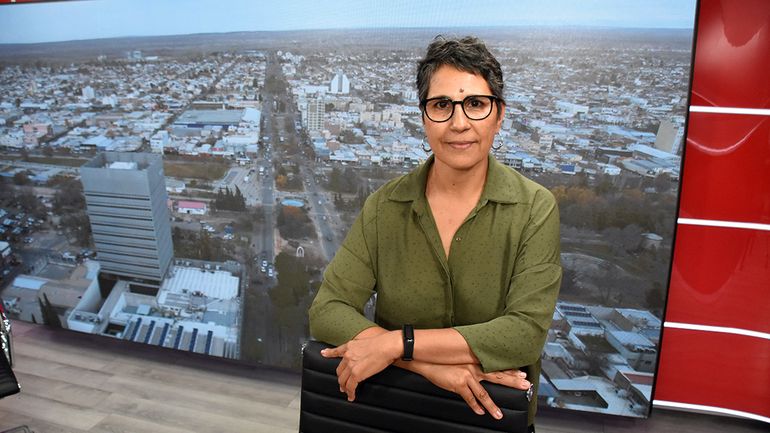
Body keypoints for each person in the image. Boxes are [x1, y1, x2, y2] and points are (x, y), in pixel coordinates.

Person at [308, 35, 561, 432]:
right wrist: (425, 366)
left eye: (475, 104)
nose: (459, 123)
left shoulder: (534, 208)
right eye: (442, 105)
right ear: (424, 117)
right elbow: (327, 309)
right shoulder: (384, 207)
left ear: (499, 115)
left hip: (490, 421)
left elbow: (524, 334)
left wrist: (397, 344)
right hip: (394, 411)